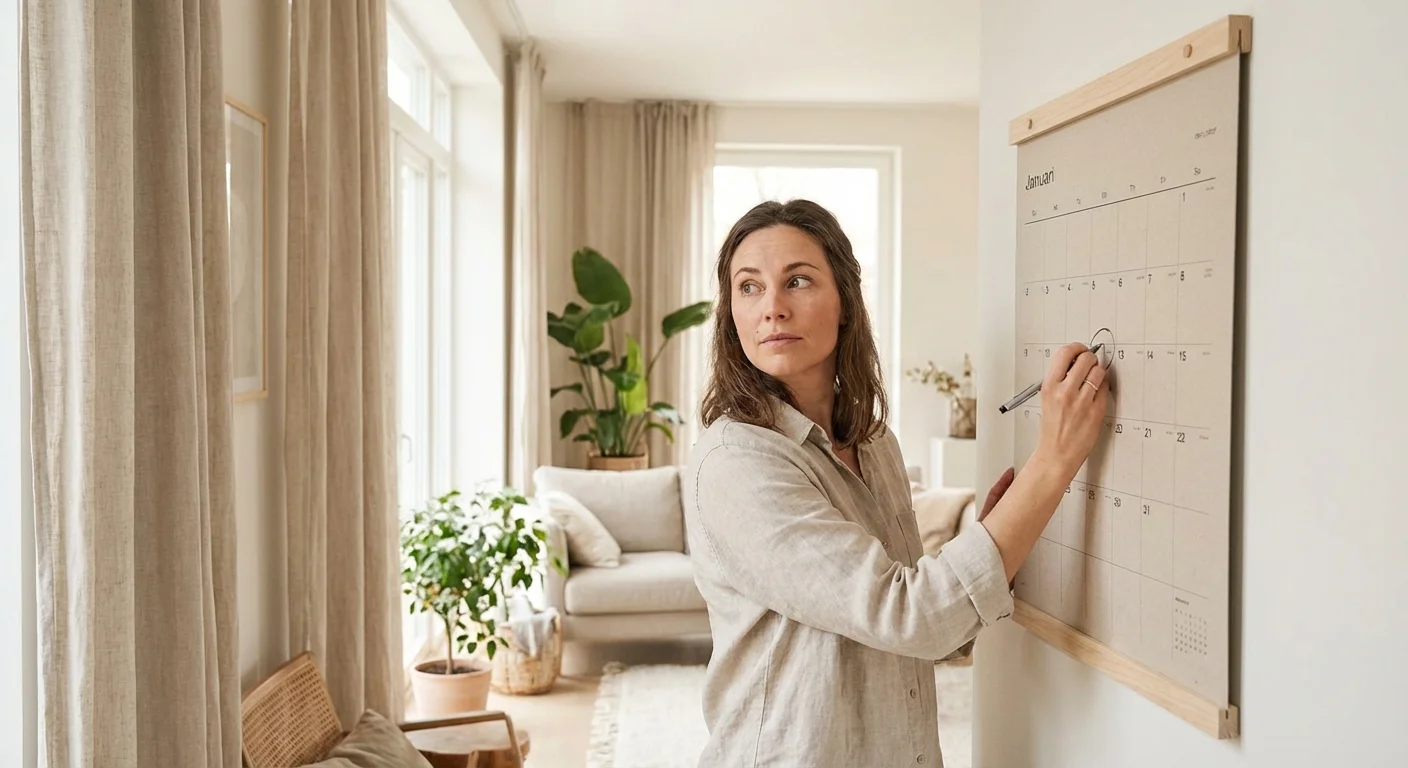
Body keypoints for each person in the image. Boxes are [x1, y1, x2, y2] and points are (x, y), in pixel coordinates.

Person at [682, 199, 1108, 767]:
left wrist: (999, 540)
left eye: (799, 281)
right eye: (749, 287)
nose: (772, 309)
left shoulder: (876, 443)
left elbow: (936, 635)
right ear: (730, 313)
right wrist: (1054, 459)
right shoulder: (736, 461)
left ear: (845, 305)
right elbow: (911, 616)